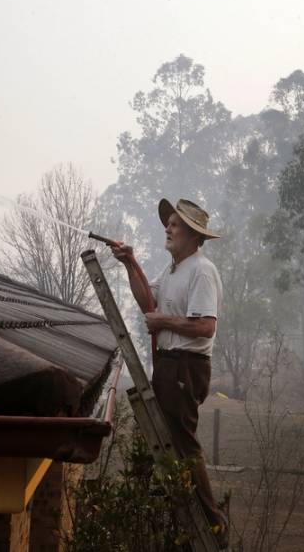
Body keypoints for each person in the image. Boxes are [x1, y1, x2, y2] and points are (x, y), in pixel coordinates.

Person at [110, 197, 226, 543]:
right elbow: (148, 301)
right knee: (166, 442)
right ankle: (181, 514)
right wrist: (130, 262)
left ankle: (213, 525)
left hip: (185, 367)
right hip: (168, 365)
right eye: (169, 223)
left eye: (175, 224)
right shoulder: (174, 269)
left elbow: (206, 326)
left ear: (193, 235)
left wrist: (162, 320)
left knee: (183, 445)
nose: (168, 228)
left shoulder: (202, 270)